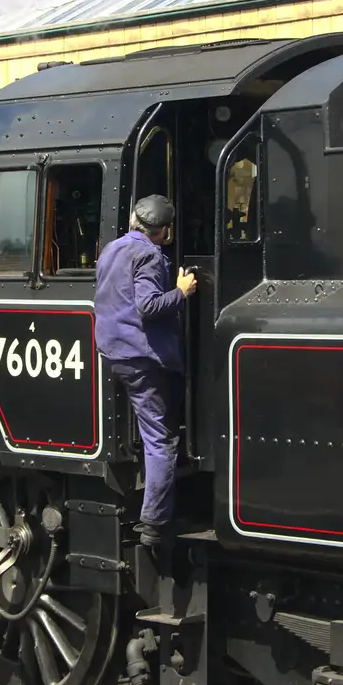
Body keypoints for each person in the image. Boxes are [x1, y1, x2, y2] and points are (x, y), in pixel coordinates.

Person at [94, 195, 197, 546]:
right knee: (161, 439)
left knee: (153, 428)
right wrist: (181, 293)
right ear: (164, 231)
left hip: (115, 353)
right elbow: (149, 305)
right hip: (142, 356)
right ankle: (154, 522)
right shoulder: (149, 255)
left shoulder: (110, 249)